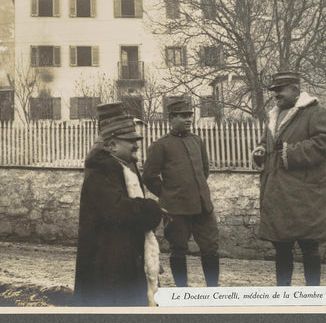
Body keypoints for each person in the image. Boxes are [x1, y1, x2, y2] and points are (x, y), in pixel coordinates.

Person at [73, 102, 162, 306]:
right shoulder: (102, 170)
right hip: (106, 267)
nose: (136, 144)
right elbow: (119, 211)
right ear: (111, 145)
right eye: (130, 140)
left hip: (120, 261)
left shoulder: (122, 166)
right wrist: (152, 208)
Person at [252, 72, 326, 286]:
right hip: (278, 194)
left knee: (309, 246)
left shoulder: (315, 112)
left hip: (305, 194)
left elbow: (324, 143)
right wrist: (260, 150)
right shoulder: (274, 115)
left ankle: (313, 295)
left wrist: (289, 152)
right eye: (274, 91)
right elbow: (266, 142)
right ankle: (283, 294)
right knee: (281, 247)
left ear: (296, 90)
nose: (276, 94)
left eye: (280, 89)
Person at [143, 98, 219, 287]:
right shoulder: (161, 145)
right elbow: (149, 176)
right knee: (178, 249)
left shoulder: (197, 141)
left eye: (190, 116)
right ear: (171, 119)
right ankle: (182, 290)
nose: (188, 120)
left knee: (210, 248)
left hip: (203, 207)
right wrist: (168, 194)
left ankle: (212, 290)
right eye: (183, 116)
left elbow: (204, 171)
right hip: (176, 209)